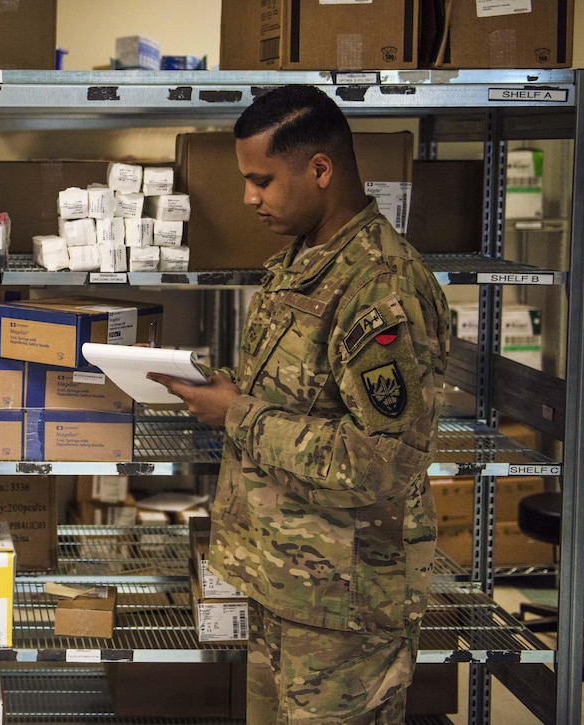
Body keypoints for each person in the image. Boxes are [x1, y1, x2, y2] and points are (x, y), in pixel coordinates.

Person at [148, 84, 451, 724]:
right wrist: (210, 383)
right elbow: (294, 393)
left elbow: (380, 463)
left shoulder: (381, 288)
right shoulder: (300, 261)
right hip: (286, 580)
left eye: (261, 180)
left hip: (347, 606)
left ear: (320, 169)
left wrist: (236, 414)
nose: (248, 197)